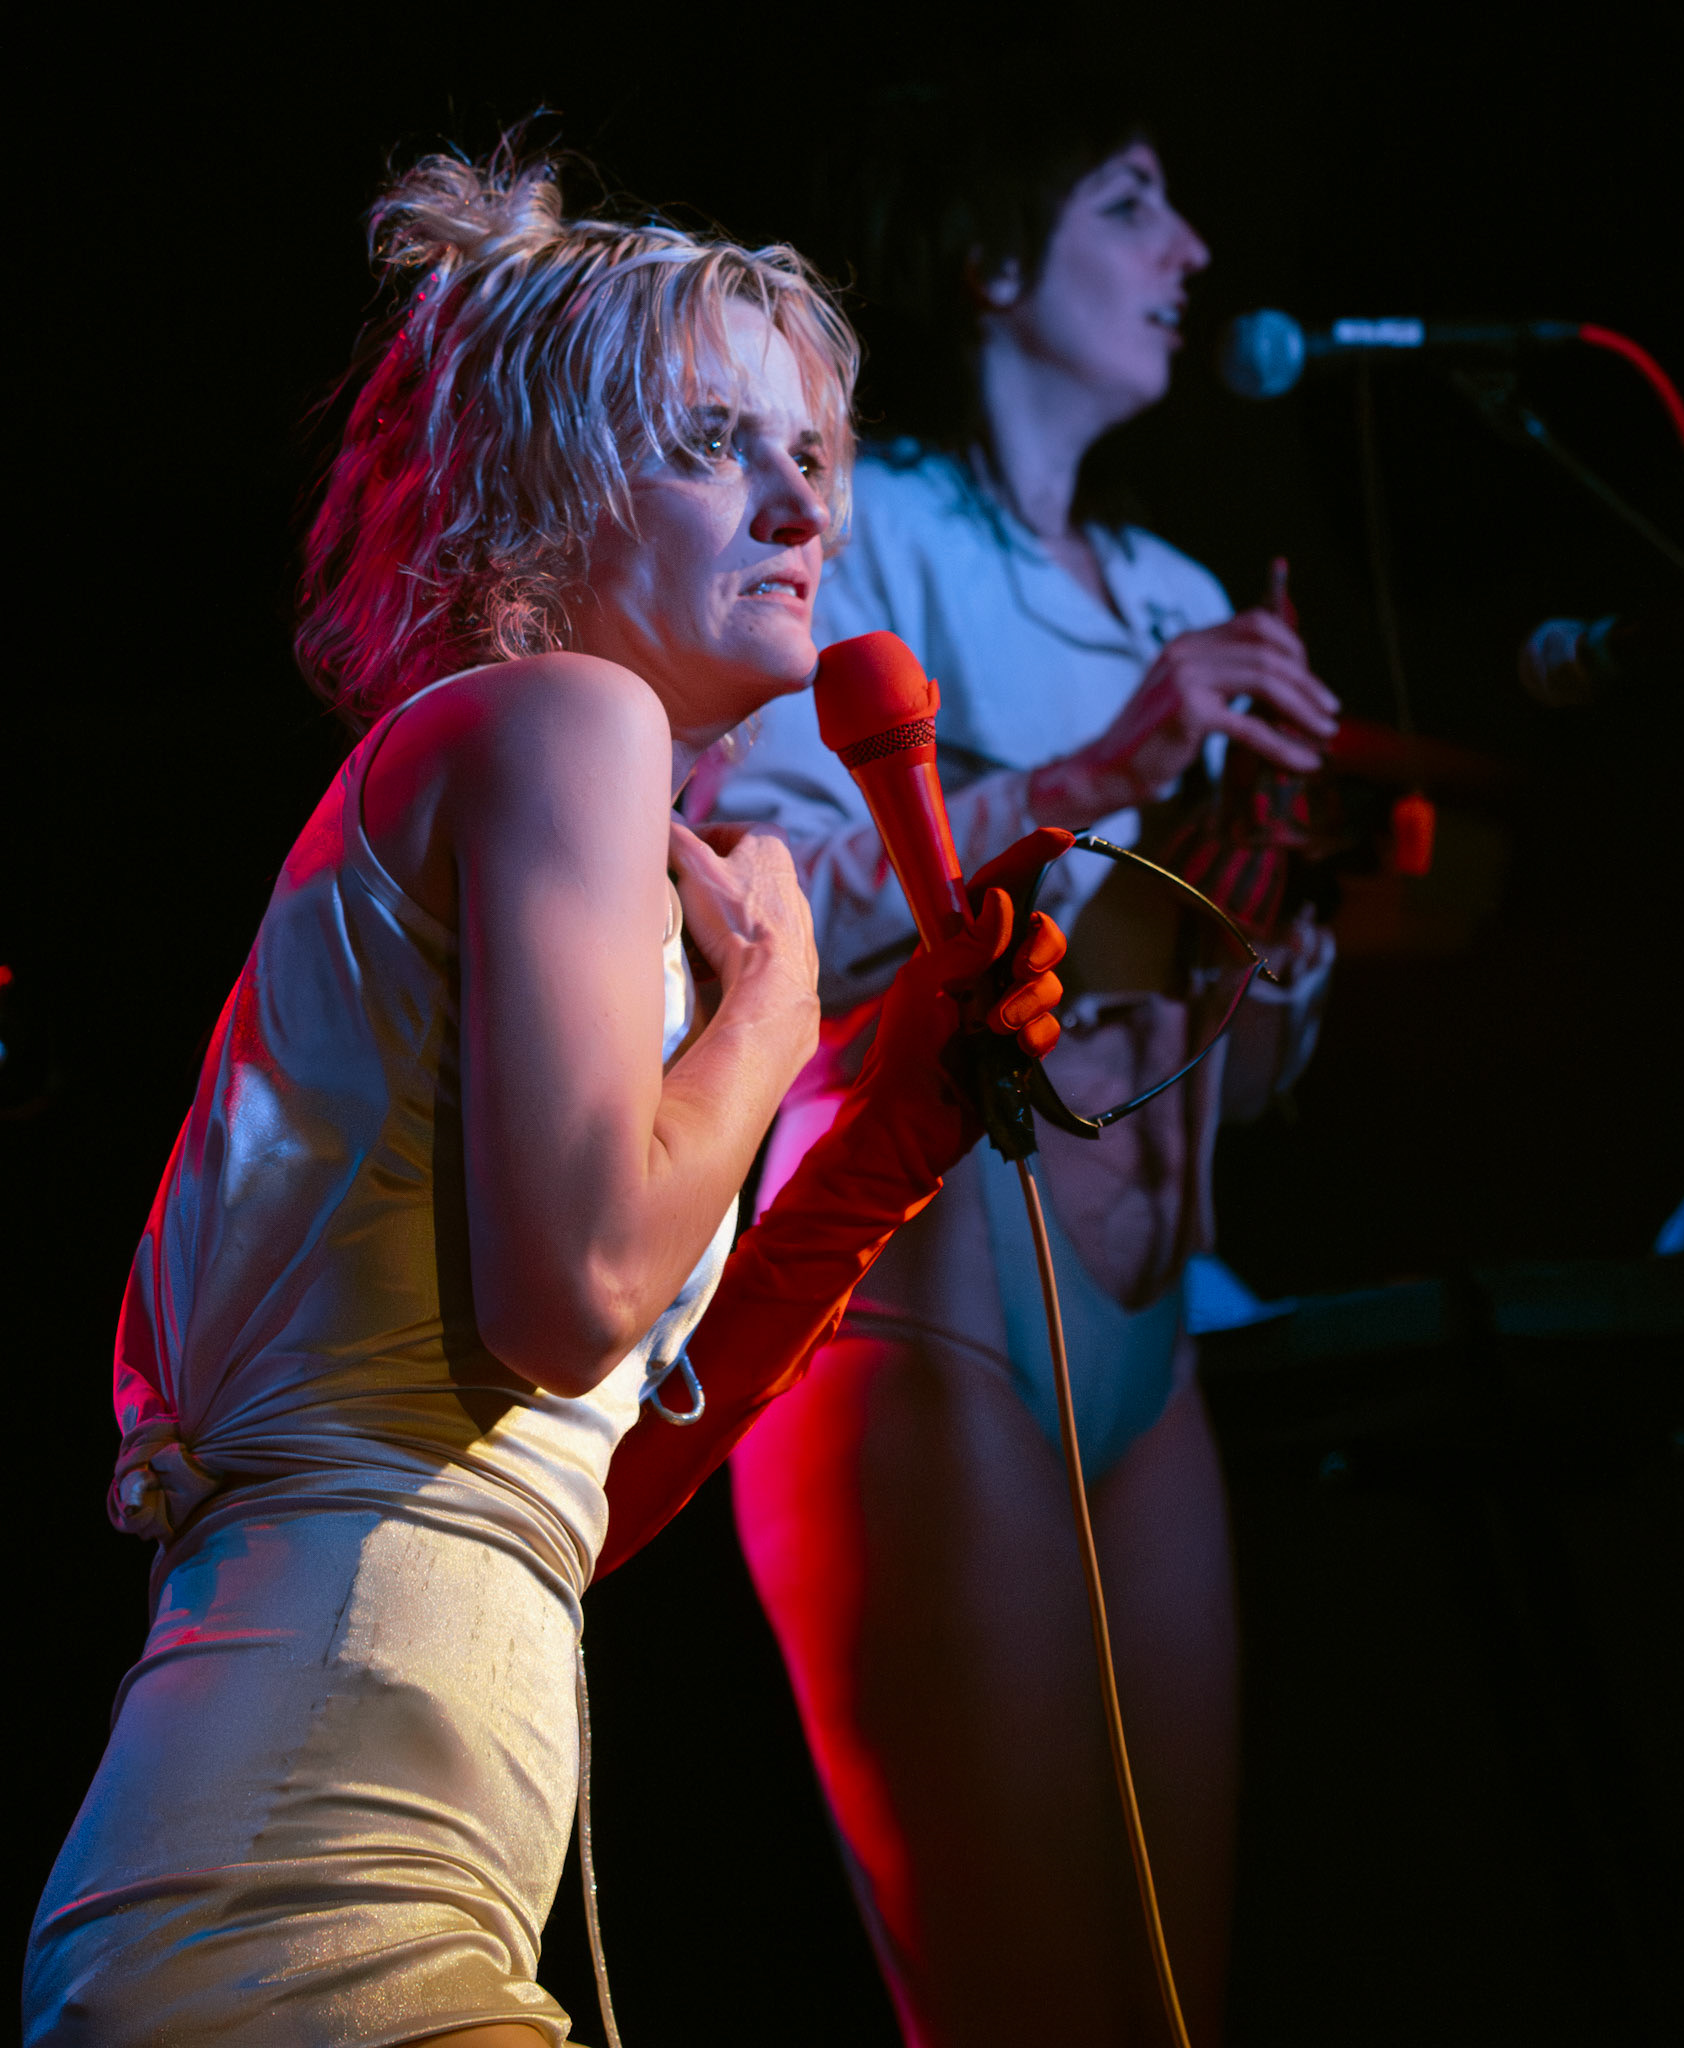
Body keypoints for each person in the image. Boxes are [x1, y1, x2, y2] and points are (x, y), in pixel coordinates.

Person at [23, 142, 1067, 2048]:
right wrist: (782, 1006)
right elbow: (578, 1290)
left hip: (287, 1861)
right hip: (304, 1894)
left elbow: (577, 1487)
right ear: (541, 495)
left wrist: (881, 1147)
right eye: (711, 446)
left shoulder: (587, 833)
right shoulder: (568, 721)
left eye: (811, 454)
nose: (799, 505)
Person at [702, 76, 1341, 2046]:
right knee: (1020, 2006)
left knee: (1166, 2004)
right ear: (991, 256)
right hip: (928, 1284)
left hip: (1148, 1317)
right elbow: (763, 925)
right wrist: (1098, 768)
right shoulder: (856, 526)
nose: (1190, 252)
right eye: (1130, 203)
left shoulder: (1173, 593)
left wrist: (1263, 940)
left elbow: (1224, 1081)